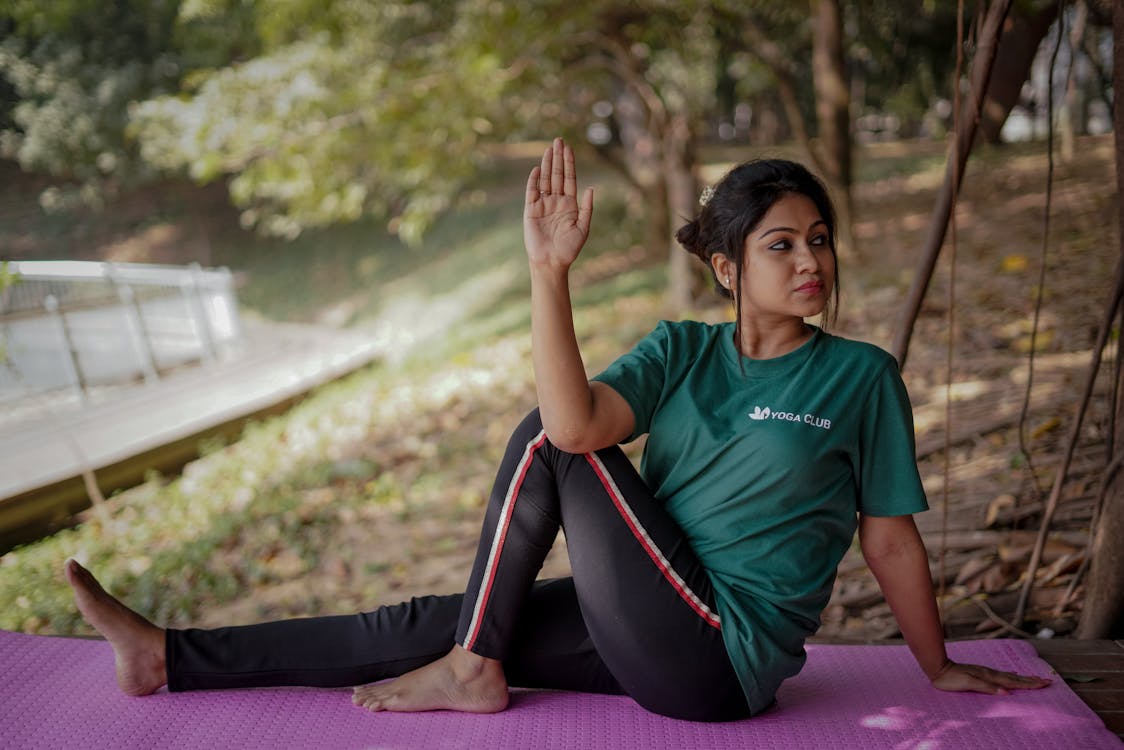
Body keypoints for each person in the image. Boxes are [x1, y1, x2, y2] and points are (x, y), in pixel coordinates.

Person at [65, 137, 1050, 722]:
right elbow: (586, 418)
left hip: (723, 653)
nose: (808, 262)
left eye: (817, 241)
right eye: (779, 244)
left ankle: (473, 667)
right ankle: (169, 659)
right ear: (725, 268)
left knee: (544, 441)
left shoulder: (858, 376)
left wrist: (936, 664)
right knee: (431, 615)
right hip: (652, 613)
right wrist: (548, 277)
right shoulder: (681, 353)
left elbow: (886, 535)